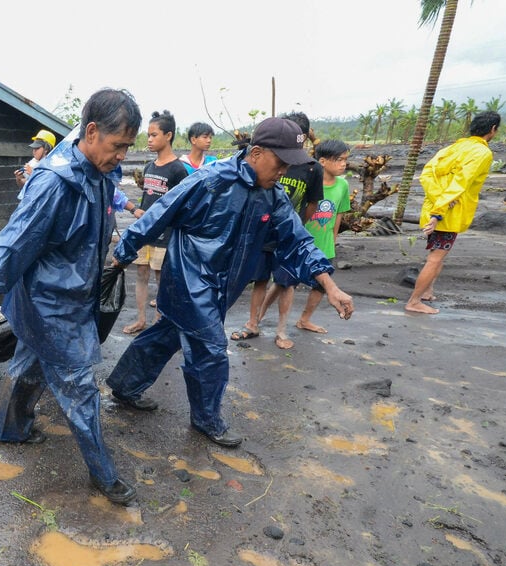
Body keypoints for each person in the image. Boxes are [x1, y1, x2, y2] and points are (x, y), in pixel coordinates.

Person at [105, 118, 354, 448]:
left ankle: (124, 385)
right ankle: (207, 418)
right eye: (280, 163)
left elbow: (298, 241)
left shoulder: (274, 196)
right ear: (256, 153)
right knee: (210, 349)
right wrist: (123, 252)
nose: (283, 171)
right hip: (189, 279)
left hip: (226, 284)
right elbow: (160, 213)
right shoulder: (210, 180)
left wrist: (330, 286)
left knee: (165, 335)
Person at [0, 88, 142, 505]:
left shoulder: (100, 171)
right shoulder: (54, 183)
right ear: (91, 132)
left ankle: (8, 429)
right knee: (79, 390)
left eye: (128, 147)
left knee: (28, 364)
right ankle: (103, 474)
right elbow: (10, 246)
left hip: (72, 296)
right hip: (50, 306)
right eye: (118, 146)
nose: (122, 156)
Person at [231, 112, 324, 349]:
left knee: (287, 283)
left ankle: (281, 330)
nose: (283, 169)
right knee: (260, 279)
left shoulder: (312, 168)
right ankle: (253, 323)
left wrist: (297, 225)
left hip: (288, 233)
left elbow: (313, 202)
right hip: (263, 232)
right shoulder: (266, 160)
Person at [405, 111, 500, 315]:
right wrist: (439, 211)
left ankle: (427, 291)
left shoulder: (452, 148)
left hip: (436, 208)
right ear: (493, 129)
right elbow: (461, 183)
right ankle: (414, 301)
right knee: (436, 258)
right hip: (448, 212)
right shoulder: (482, 153)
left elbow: (426, 174)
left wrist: (436, 203)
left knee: (437, 255)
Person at [122, 110, 189, 335]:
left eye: (154, 135)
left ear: (168, 135)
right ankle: (141, 319)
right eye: (148, 135)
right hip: (145, 233)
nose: (149, 140)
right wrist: (140, 212)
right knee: (141, 274)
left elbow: (183, 205)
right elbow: (147, 199)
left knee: (162, 280)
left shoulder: (178, 170)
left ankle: (160, 323)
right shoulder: (150, 167)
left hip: (166, 235)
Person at [292, 140, 352, 333]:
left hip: (325, 245)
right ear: (323, 161)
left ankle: (305, 319)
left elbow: (338, 215)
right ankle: (258, 319)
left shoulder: (342, 185)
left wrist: (333, 242)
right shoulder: (309, 182)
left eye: (345, 160)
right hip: (301, 243)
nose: (344, 164)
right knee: (284, 284)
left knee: (320, 287)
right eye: (339, 160)